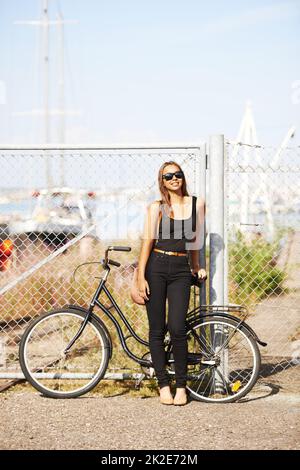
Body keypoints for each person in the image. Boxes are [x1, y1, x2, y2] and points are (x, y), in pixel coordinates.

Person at [137, 161, 206, 406]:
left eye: (177, 174)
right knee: (156, 330)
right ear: (162, 181)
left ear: (182, 178)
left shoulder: (197, 203)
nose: (174, 178)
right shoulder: (157, 207)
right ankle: (163, 384)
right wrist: (140, 276)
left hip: (180, 271)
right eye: (168, 176)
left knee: (177, 328)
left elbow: (196, 240)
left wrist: (196, 267)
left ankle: (181, 386)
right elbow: (147, 242)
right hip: (156, 267)